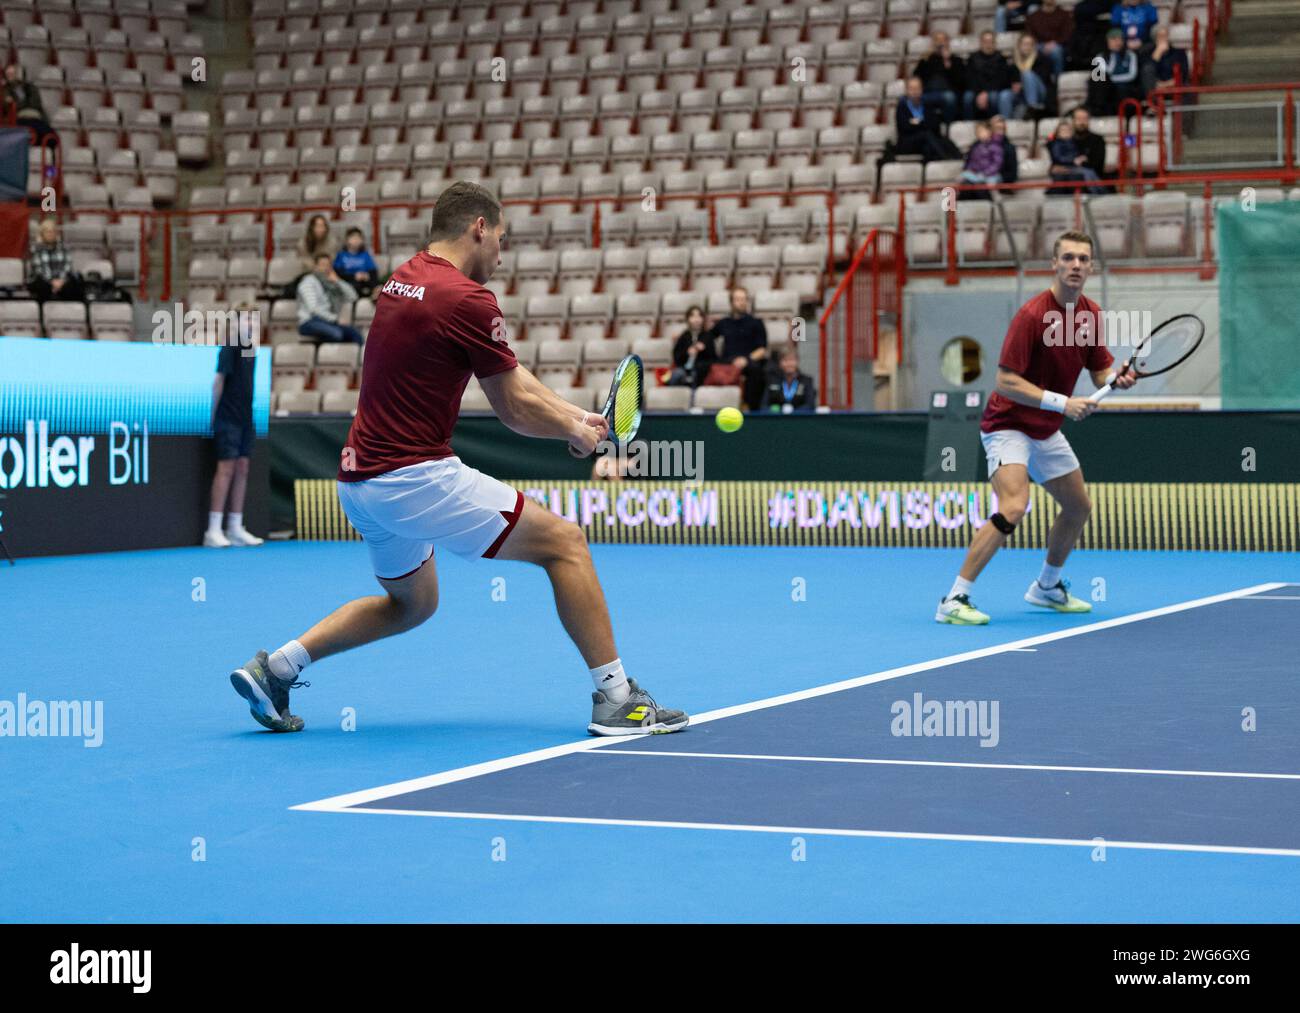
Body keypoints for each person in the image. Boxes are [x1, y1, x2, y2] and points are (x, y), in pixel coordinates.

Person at [227, 181, 688, 736]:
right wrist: (575, 435)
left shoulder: (405, 277)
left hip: (359, 481)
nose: (501, 252)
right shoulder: (469, 299)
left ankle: (275, 670)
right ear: (479, 227)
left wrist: (575, 413)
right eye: (501, 238)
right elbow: (512, 408)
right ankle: (617, 700)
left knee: (411, 606)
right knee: (566, 544)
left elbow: (509, 373)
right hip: (413, 477)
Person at [934, 230, 1136, 626]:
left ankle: (1046, 587)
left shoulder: (1090, 316)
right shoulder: (1032, 316)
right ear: (1055, 265)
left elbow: (1100, 374)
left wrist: (1118, 377)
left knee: (1078, 507)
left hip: (1045, 429)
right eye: (1069, 258)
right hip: (1007, 425)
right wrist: (1063, 402)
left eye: (1083, 259)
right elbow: (1005, 381)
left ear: (1091, 267)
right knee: (1014, 505)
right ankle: (955, 598)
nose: (1076, 265)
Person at [205, 313, 264, 549]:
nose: (250, 324)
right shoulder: (229, 347)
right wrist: (213, 416)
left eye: (254, 320)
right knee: (226, 469)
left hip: (246, 418)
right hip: (227, 418)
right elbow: (218, 382)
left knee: (242, 467)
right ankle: (213, 529)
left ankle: (235, 527)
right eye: (246, 320)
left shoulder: (252, 350)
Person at [712, 286, 769, 411]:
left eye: (744, 299)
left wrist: (746, 360)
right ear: (731, 302)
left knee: (757, 372)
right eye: (738, 299)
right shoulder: (723, 323)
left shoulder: (756, 322)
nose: (742, 302)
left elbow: (762, 349)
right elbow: (708, 338)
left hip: (749, 362)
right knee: (705, 367)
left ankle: (751, 408)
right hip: (728, 362)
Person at [297, 252, 364, 344]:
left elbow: (353, 296)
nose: (326, 268)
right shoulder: (308, 283)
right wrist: (336, 319)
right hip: (309, 321)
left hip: (329, 322)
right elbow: (313, 309)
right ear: (315, 267)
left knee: (355, 334)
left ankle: (360, 358)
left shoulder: (332, 284)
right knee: (337, 334)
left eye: (328, 265)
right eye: (322, 265)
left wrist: (338, 281)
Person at [894, 76, 953, 163]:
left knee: (939, 142)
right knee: (926, 135)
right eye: (911, 88)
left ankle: (959, 159)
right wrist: (923, 123)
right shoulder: (902, 106)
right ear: (906, 91)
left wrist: (917, 122)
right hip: (907, 144)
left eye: (917, 88)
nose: (914, 91)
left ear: (922, 89)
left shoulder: (927, 104)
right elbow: (905, 127)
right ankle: (945, 159)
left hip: (924, 142)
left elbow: (935, 125)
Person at [27, 218, 85, 304]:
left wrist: (61, 281)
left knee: (76, 282)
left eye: (53, 231)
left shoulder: (64, 247)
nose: (51, 234)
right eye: (47, 231)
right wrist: (52, 282)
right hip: (45, 282)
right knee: (40, 284)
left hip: (62, 281)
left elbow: (67, 267)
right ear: (42, 234)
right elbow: (39, 269)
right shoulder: (36, 249)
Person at [964, 31, 1019, 121]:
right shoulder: (972, 58)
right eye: (985, 41)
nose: (988, 45)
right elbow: (970, 79)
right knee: (968, 97)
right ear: (980, 43)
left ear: (995, 43)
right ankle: (968, 123)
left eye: (991, 42)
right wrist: (980, 92)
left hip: (994, 90)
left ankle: (994, 122)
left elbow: (1002, 80)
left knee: (993, 97)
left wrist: (986, 92)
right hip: (976, 90)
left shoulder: (1001, 59)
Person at [1088, 29, 1143, 117]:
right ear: (1107, 41)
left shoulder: (1131, 55)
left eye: (1120, 39)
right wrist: (1113, 56)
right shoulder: (1100, 57)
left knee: (1123, 90)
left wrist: (1113, 79)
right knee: (1098, 80)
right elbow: (1106, 72)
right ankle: (1098, 111)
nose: (1117, 42)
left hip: (1125, 88)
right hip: (1107, 90)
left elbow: (1132, 75)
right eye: (1113, 39)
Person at [913, 32, 966, 124]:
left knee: (950, 97)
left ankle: (949, 126)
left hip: (949, 93)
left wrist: (948, 63)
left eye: (943, 40)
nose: (940, 43)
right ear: (933, 43)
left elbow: (961, 82)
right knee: (909, 99)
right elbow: (916, 77)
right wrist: (926, 60)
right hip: (929, 93)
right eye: (937, 40)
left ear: (948, 42)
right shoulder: (926, 59)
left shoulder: (956, 60)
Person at [1047, 118, 1107, 194]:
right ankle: (1095, 191)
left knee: (1090, 171)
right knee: (1086, 172)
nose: (1066, 132)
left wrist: (1081, 158)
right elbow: (1058, 158)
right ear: (1058, 133)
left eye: (1067, 130)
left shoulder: (1073, 142)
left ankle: (1102, 190)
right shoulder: (1056, 144)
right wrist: (1073, 160)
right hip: (1066, 167)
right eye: (1063, 130)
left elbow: (1077, 153)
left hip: (1074, 166)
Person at [4, 63, 55, 147]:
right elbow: (9, 106)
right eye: (8, 75)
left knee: (51, 138)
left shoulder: (30, 87)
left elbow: (35, 103)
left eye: (13, 74)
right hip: (19, 119)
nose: (11, 77)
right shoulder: (5, 90)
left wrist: (20, 103)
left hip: (35, 117)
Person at [668, 304, 716, 388]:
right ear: (688, 319)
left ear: (703, 319)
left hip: (700, 371)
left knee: (695, 376)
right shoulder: (684, 336)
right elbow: (676, 358)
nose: (696, 319)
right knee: (676, 374)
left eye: (699, 316)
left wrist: (703, 350)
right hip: (684, 369)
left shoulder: (708, 336)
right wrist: (687, 352)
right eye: (693, 316)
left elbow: (713, 359)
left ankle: (692, 399)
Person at [760, 345, 817, 413]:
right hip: (778, 420)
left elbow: (810, 405)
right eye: (785, 360)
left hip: (800, 420)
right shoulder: (772, 381)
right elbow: (764, 406)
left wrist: (793, 412)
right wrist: (779, 411)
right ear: (780, 363)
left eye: (792, 360)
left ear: (797, 361)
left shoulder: (807, 381)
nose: (789, 364)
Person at [1011, 32, 1054, 118]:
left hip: (1041, 92)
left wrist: (1023, 83)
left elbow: (1044, 79)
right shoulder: (1013, 63)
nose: (1027, 47)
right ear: (1019, 46)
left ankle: (1032, 107)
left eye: (1030, 44)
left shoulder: (1042, 59)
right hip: (1021, 95)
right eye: (1024, 44)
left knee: (1027, 74)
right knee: (1005, 95)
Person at [1026, 0, 1073, 78]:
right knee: (1028, 48)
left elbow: (1067, 34)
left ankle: (1057, 79)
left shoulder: (1064, 14)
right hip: (1039, 45)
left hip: (1058, 44)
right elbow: (1030, 35)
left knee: (1056, 51)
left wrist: (1055, 42)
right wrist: (1042, 45)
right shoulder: (1033, 16)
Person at [1141, 24, 1190, 96]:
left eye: (1165, 36)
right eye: (1160, 36)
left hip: (1174, 86)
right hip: (1155, 88)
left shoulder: (1179, 53)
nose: (1163, 39)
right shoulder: (1147, 52)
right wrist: (1157, 53)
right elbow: (1146, 73)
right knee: (1147, 69)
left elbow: (1184, 73)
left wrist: (1166, 85)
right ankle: (1153, 104)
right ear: (1155, 39)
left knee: (1188, 90)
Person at [332, 227, 380, 298]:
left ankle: (375, 293)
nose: (356, 240)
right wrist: (354, 276)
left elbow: (373, 271)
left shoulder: (365, 255)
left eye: (359, 238)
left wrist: (367, 276)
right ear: (347, 240)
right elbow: (338, 273)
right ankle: (368, 295)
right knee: (354, 285)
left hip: (365, 281)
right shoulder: (341, 255)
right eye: (353, 237)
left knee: (379, 284)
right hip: (349, 282)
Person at [960, 120, 1006, 194]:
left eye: (982, 131)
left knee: (990, 184)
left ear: (989, 131)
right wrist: (970, 169)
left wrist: (986, 173)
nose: (979, 134)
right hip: (977, 174)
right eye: (977, 132)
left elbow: (997, 163)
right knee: (963, 177)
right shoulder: (976, 146)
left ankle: (995, 198)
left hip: (991, 174)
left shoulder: (995, 145)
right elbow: (973, 160)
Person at [1070, 105, 1108, 180]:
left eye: (1085, 119)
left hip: (1092, 181)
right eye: (1078, 119)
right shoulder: (1067, 141)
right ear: (1073, 121)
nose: (1082, 122)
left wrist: (1078, 163)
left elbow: (1097, 165)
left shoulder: (1097, 140)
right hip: (1069, 181)